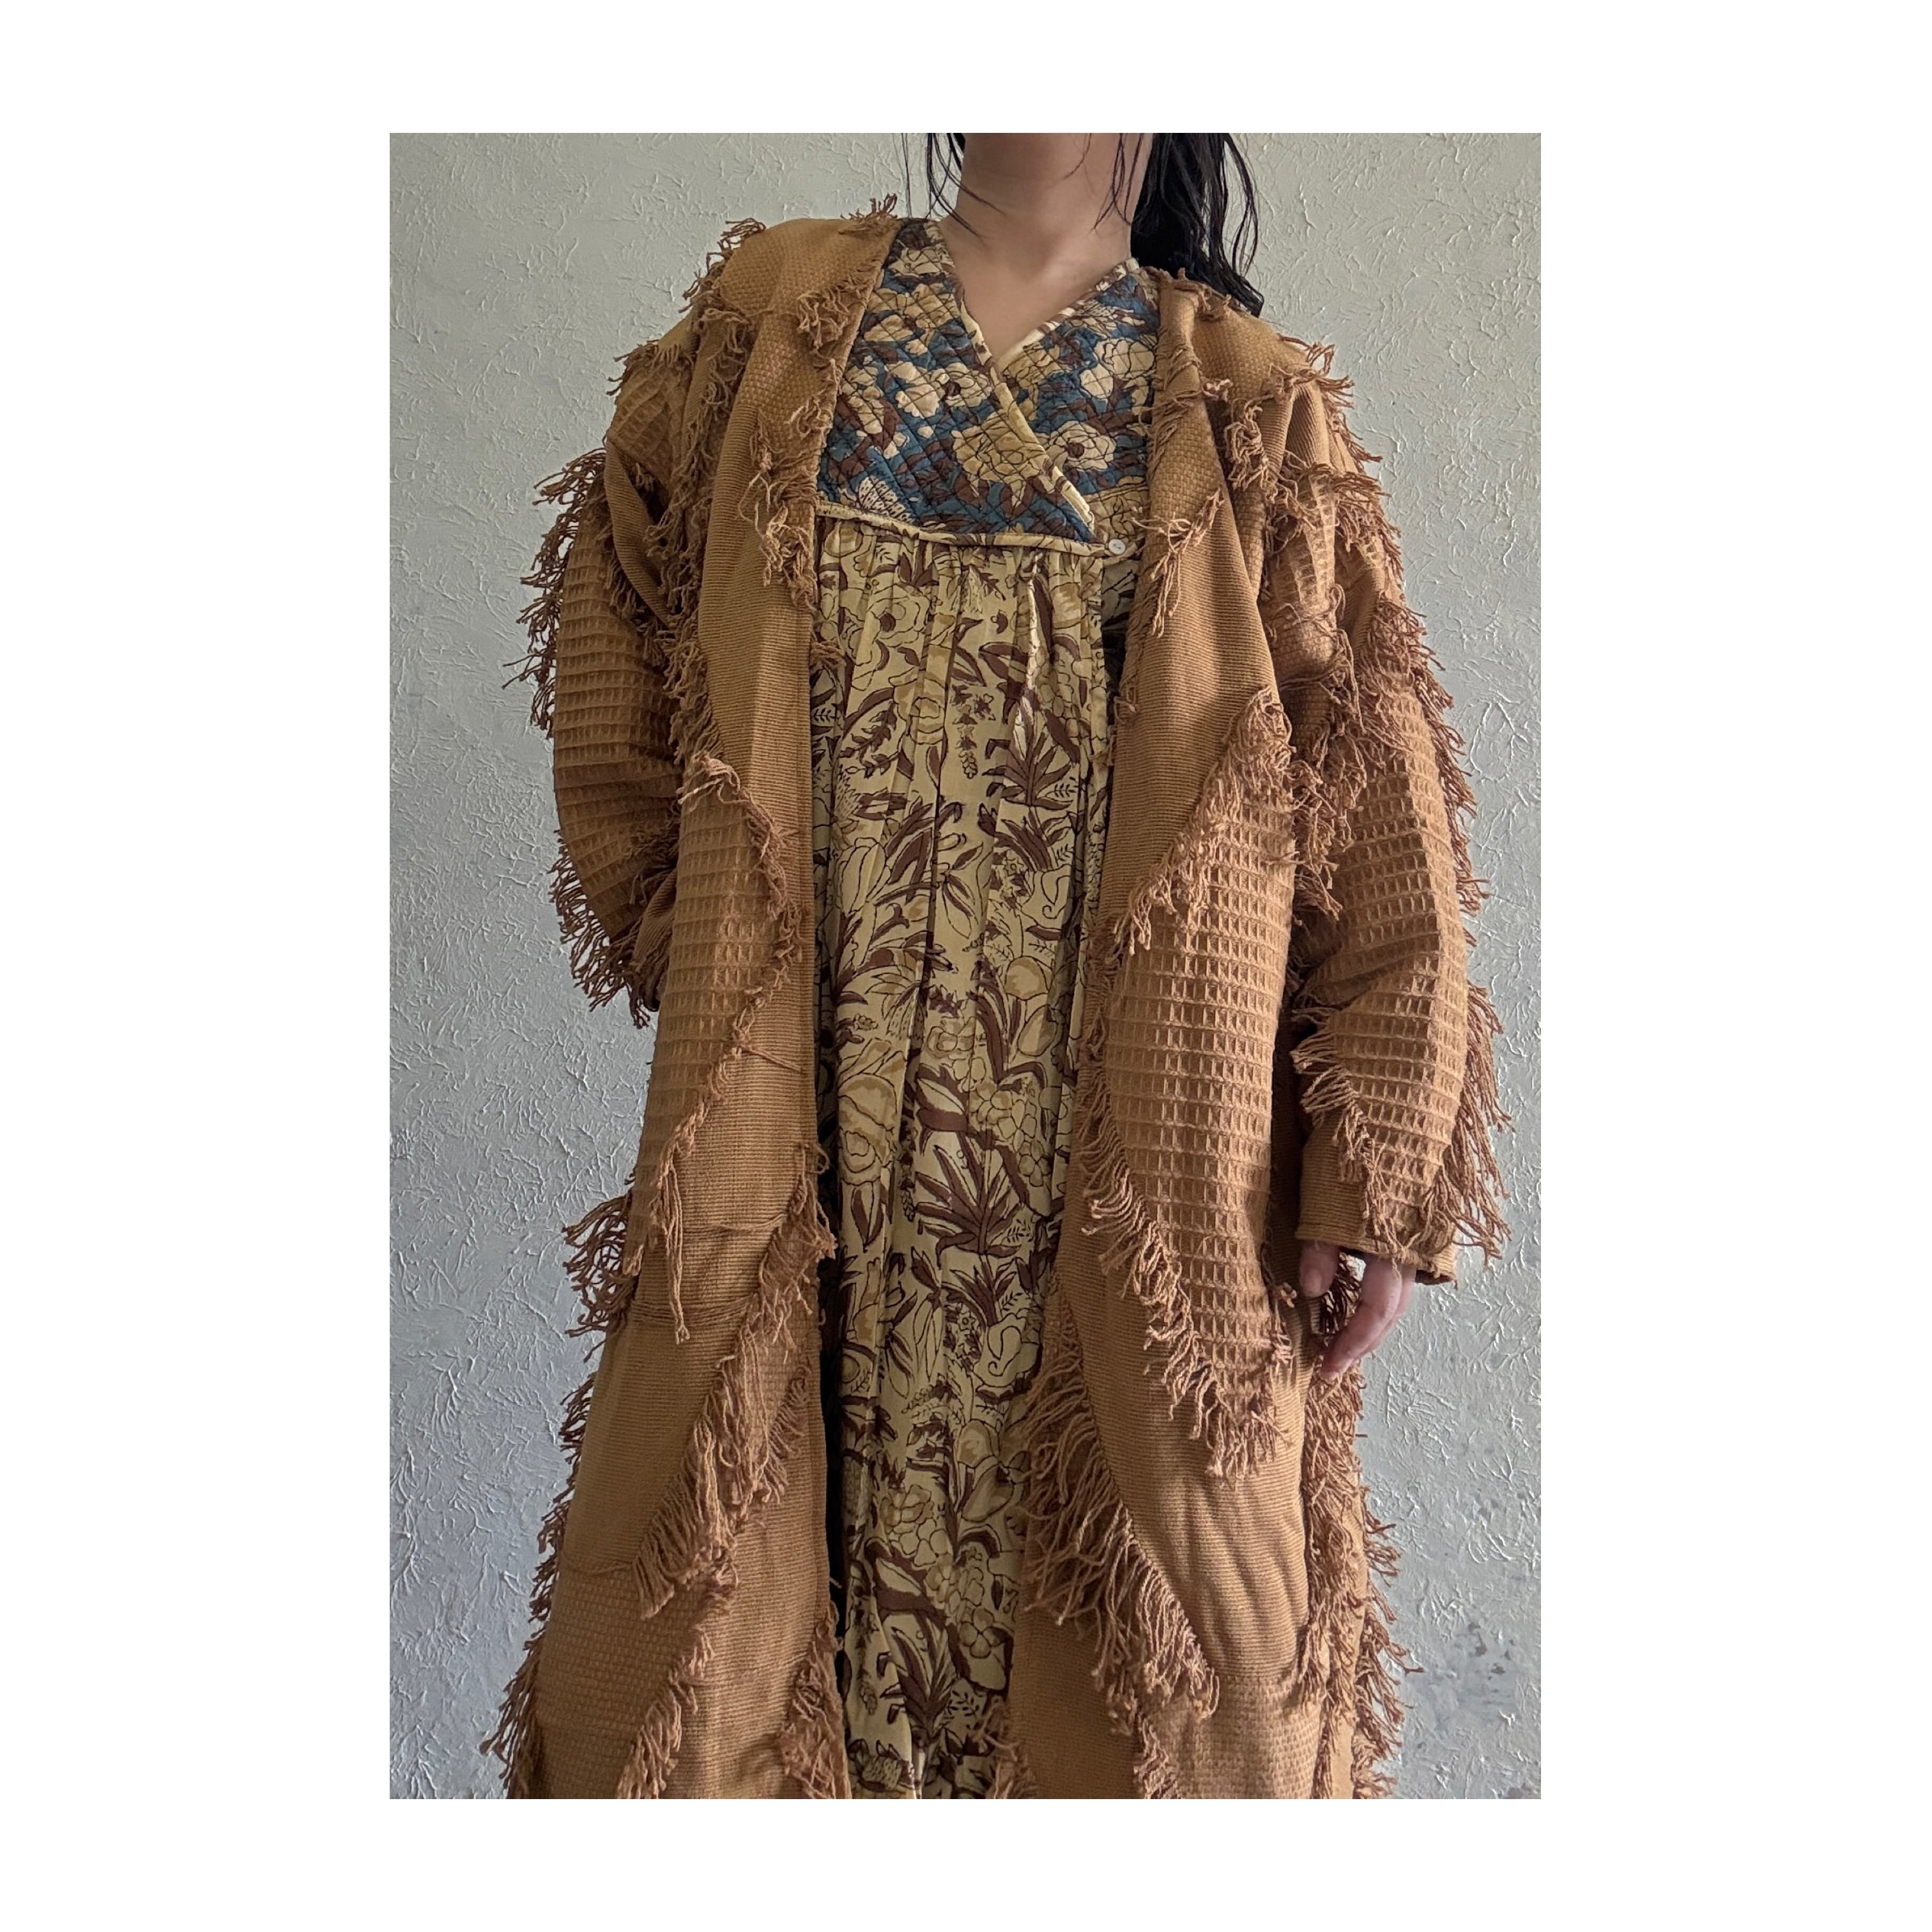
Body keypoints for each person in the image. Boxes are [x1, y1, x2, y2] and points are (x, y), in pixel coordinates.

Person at [487, 134, 1506, 1800]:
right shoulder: (774, 323)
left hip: (1127, 1186)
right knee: (738, 1635)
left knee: (1161, 1681)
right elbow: (622, 624)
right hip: (816, 1162)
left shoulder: (1245, 406)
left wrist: (1371, 1173)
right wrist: (724, 952)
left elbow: (1374, 810)